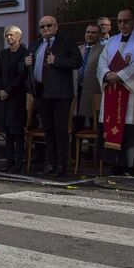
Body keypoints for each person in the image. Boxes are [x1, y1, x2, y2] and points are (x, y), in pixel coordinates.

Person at [97, 8, 134, 176]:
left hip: (132, 94)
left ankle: (133, 164)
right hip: (112, 92)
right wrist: (107, 74)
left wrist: (120, 76)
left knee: (131, 129)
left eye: (126, 21)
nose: (122, 24)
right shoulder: (111, 41)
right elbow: (102, 62)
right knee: (112, 127)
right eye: (119, 21)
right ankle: (115, 163)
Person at [26, 15, 82, 176]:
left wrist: (57, 60)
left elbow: (77, 61)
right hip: (41, 92)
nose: (46, 29)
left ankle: (61, 165)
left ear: (56, 27)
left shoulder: (66, 42)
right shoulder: (35, 44)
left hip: (60, 94)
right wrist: (27, 63)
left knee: (60, 130)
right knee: (48, 130)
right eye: (42, 26)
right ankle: (49, 163)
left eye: (49, 25)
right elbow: (30, 65)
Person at [0, 25, 28, 173]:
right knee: (7, 131)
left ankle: (18, 163)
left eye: (11, 35)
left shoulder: (24, 53)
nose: (9, 38)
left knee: (17, 131)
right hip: (3, 97)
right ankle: (9, 162)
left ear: (19, 36)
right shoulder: (3, 53)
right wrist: (0, 89)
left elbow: (22, 75)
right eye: (6, 35)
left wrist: (8, 91)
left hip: (16, 96)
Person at [74, 23, 104, 134]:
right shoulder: (78, 49)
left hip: (94, 93)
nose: (90, 35)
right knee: (76, 125)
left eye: (93, 33)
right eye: (88, 32)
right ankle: (75, 150)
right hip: (77, 92)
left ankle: (93, 151)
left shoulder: (103, 50)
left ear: (99, 35)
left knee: (94, 126)